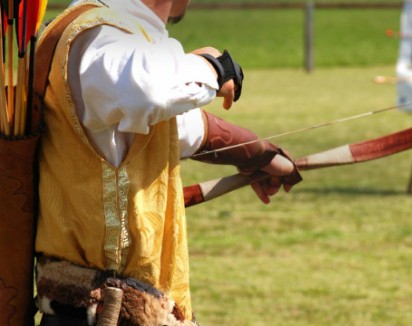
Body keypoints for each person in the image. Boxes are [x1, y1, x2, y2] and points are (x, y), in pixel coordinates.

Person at [34, 0, 300, 324]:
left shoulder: (117, 36)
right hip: (98, 311)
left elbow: (175, 125)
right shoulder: (99, 33)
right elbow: (150, 92)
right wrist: (213, 66)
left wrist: (256, 153)